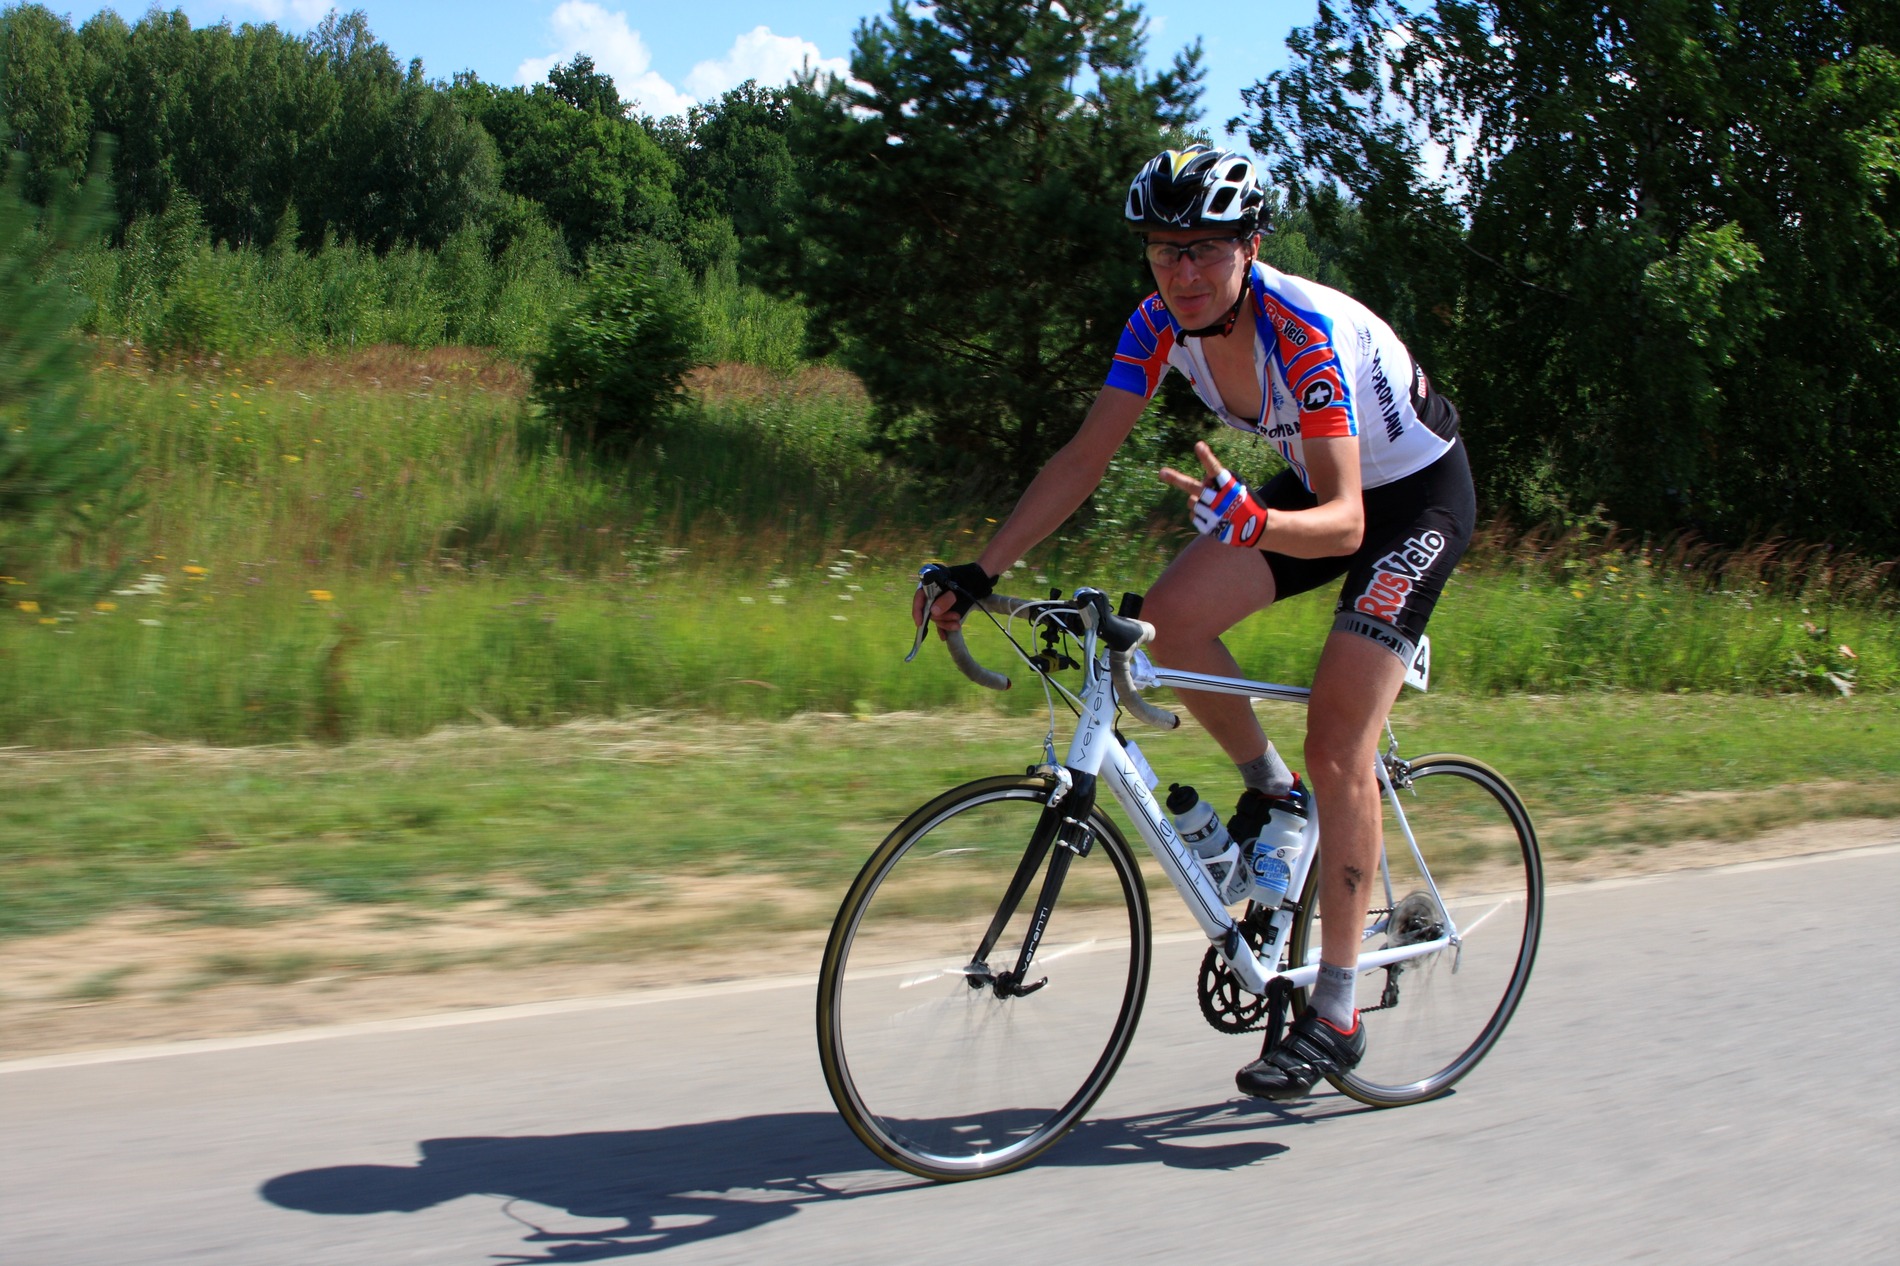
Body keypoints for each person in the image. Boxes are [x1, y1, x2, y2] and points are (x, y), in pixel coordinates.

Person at [914, 144, 1476, 1100]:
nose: (1181, 271)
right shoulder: (1155, 323)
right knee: (1168, 621)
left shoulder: (1300, 331)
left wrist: (1254, 522)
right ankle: (1275, 793)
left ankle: (1337, 1014)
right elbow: (1084, 458)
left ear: (1249, 247)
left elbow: (1348, 523)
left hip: (1411, 503)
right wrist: (982, 568)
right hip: (1314, 491)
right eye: (1162, 249)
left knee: (1339, 739)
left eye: (1204, 249)